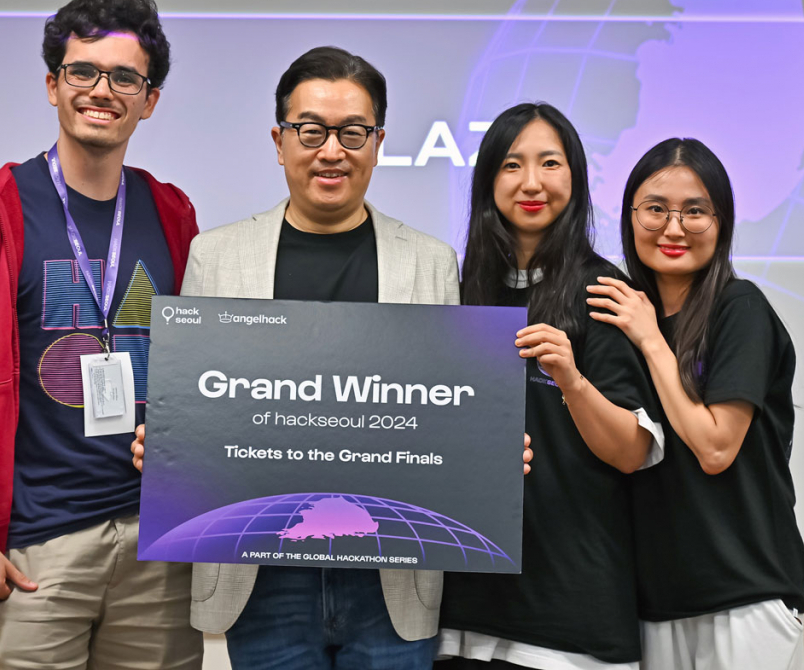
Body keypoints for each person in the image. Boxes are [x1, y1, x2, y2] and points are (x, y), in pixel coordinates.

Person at [131, 45, 530, 670]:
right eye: (311, 130)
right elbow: (195, 397)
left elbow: (446, 403)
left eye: (353, 132)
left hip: (391, 574)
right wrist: (168, 443)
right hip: (261, 574)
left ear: (377, 142)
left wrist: (490, 445)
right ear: (280, 139)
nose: (331, 150)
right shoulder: (216, 256)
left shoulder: (430, 263)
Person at [0, 0, 203, 670]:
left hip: (157, 545)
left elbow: (201, 363)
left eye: (125, 76)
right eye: (83, 71)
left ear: (149, 99)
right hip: (38, 547)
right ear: (52, 85)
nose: (103, 90)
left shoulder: (171, 211)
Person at [438, 102, 664, 670]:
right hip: (464, 607)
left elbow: (633, 451)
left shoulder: (603, 291)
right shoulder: (459, 289)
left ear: (576, 177)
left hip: (571, 609)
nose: (532, 182)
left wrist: (571, 378)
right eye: (512, 165)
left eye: (550, 163)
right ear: (489, 179)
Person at [586, 137, 804, 670]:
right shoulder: (621, 317)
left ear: (722, 221)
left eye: (695, 211)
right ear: (629, 216)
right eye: (655, 209)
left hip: (745, 591)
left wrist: (652, 342)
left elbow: (715, 447)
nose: (673, 227)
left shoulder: (740, 308)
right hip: (655, 600)